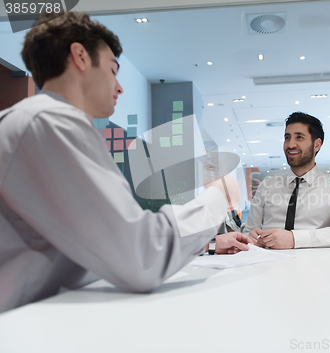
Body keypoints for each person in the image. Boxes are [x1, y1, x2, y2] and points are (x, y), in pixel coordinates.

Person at [0, 12, 250, 313]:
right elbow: (140, 256)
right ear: (79, 56)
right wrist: (217, 198)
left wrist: (207, 243)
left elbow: (97, 248)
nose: (119, 87)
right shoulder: (50, 123)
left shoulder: (40, 122)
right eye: (113, 69)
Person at [243, 112, 330, 249]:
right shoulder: (266, 186)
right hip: (265, 263)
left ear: (316, 145)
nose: (290, 145)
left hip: (314, 265)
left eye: (299, 137)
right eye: (287, 137)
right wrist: (251, 238)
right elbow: (247, 232)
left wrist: (295, 239)